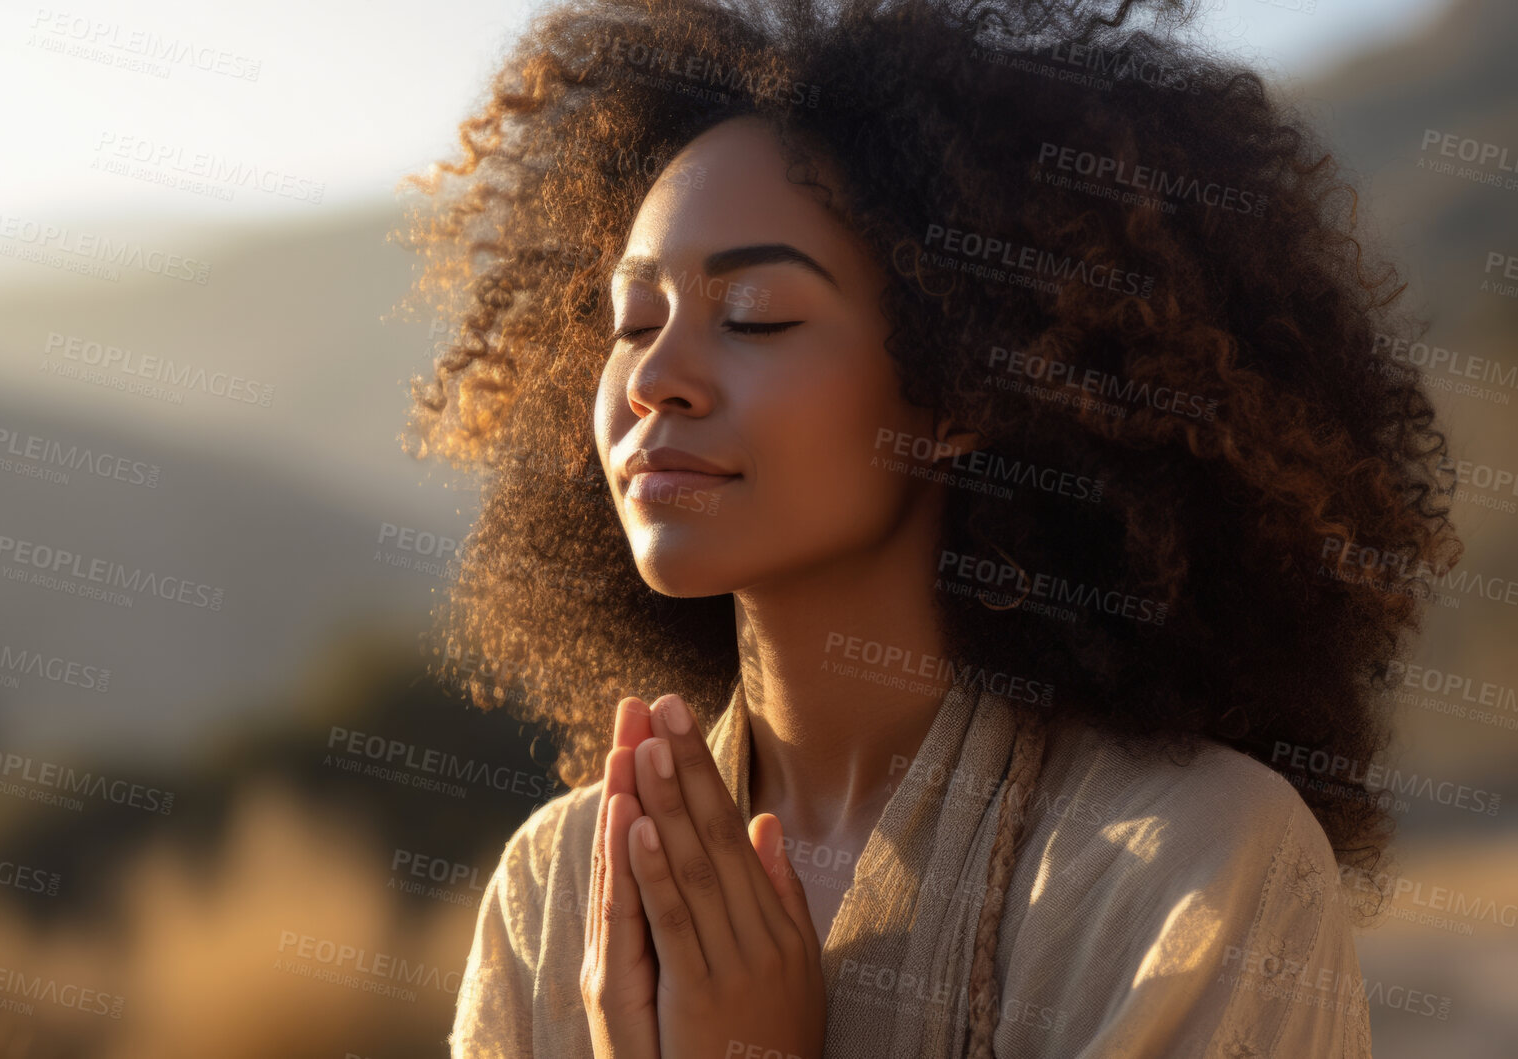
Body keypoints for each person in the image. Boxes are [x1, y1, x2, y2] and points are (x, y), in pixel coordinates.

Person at [394, 0, 1464, 1055]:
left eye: (754, 313)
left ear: (957, 389)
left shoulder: (1189, 871)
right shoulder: (556, 890)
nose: (653, 381)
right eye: (632, 323)